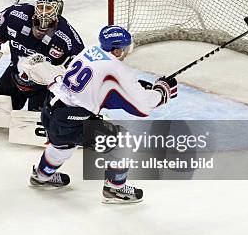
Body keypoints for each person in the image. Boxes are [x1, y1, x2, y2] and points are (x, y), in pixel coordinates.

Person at [26, 25, 178, 203]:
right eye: (124, 48)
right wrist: (163, 91)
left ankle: (41, 175)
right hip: (71, 120)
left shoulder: (90, 50)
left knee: (63, 145)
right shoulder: (118, 69)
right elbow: (143, 107)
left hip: (51, 108)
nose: (125, 52)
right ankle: (115, 189)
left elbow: (99, 88)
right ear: (116, 50)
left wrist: (134, 87)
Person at [0, 0, 84, 111]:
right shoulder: (15, 15)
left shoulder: (66, 36)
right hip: (13, 76)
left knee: (39, 122)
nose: (44, 13)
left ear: (58, 10)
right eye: (40, 7)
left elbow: (78, 68)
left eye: (48, 8)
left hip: (44, 87)